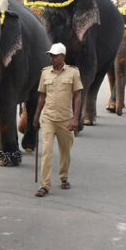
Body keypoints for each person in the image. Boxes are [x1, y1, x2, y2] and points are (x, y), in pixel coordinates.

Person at [33, 43, 83, 197]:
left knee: (65, 151)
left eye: (55, 55)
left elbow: (78, 95)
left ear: (63, 56)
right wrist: (36, 116)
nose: (52, 58)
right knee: (47, 151)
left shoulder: (73, 73)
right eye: (51, 55)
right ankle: (45, 185)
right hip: (48, 118)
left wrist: (75, 118)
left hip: (66, 120)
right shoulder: (45, 73)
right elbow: (42, 96)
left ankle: (63, 177)